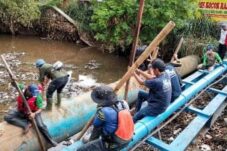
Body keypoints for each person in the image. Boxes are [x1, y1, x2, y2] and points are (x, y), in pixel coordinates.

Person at [77, 85, 134, 151]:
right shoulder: (123, 103)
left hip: (114, 144)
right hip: (127, 139)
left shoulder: (103, 112)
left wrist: (90, 144)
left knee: (81, 149)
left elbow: (96, 130)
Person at [133, 59, 172, 123]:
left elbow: (141, 82)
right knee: (141, 93)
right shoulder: (166, 74)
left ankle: (133, 127)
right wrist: (140, 71)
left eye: (153, 69)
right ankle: (137, 111)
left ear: (156, 69)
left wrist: (133, 73)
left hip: (157, 107)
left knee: (136, 117)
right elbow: (152, 77)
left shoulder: (157, 82)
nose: (152, 71)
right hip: (161, 101)